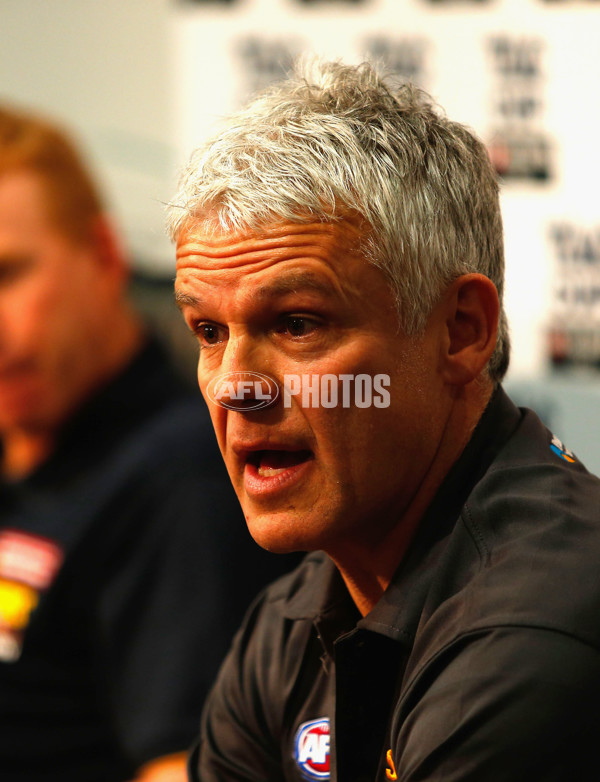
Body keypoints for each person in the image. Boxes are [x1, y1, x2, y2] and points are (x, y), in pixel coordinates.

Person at [169, 60, 600, 781]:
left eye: (298, 323)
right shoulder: (290, 623)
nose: (235, 387)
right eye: (208, 332)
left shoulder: (536, 627)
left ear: (461, 330)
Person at [0, 104, 299, 782]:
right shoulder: (23, 448)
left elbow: (183, 769)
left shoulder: (182, 475)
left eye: (8, 274)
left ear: (103, 256)